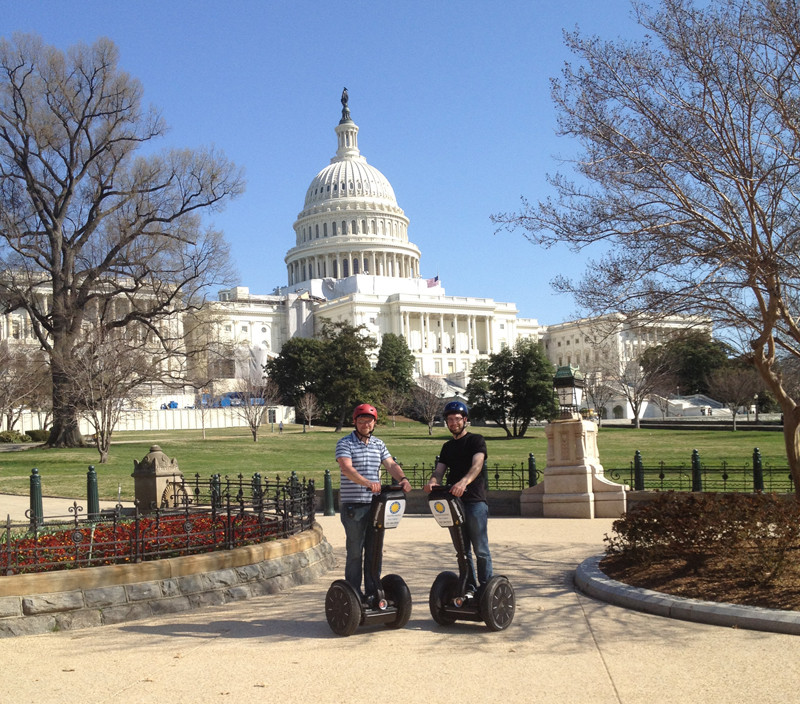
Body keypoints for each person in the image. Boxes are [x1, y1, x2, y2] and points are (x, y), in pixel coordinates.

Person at [335, 403, 411, 600]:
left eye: (369, 421)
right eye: (361, 421)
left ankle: (372, 591)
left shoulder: (379, 444)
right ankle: (353, 595)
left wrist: (402, 479)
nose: (365, 424)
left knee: (374, 550)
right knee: (354, 552)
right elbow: (346, 469)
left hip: (376, 506)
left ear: (374, 423)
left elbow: (391, 464)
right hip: (354, 506)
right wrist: (367, 482)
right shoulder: (345, 443)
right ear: (355, 422)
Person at [424, 401, 492, 592]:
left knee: (480, 549)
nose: (453, 423)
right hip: (454, 502)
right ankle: (469, 587)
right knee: (462, 551)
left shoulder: (476, 440)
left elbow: (477, 465)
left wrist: (464, 482)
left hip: (474, 501)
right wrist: (433, 481)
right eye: (450, 420)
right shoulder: (447, 447)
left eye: (457, 419)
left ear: (465, 420)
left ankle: (487, 588)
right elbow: (439, 471)